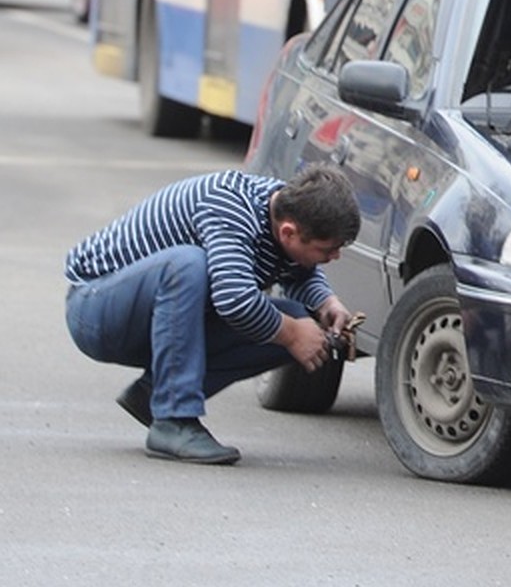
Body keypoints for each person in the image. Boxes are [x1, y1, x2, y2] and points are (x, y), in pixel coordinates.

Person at [64, 165, 361, 465]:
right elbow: (234, 300)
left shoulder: (287, 208)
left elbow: (295, 266)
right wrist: (293, 333)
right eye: (328, 249)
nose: (333, 257)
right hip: (96, 311)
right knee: (187, 264)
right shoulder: (229, 205)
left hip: (163, 318)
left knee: (299, 319)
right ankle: (173, 420)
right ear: (288, 231)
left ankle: (155, 395)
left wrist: (326, 303)